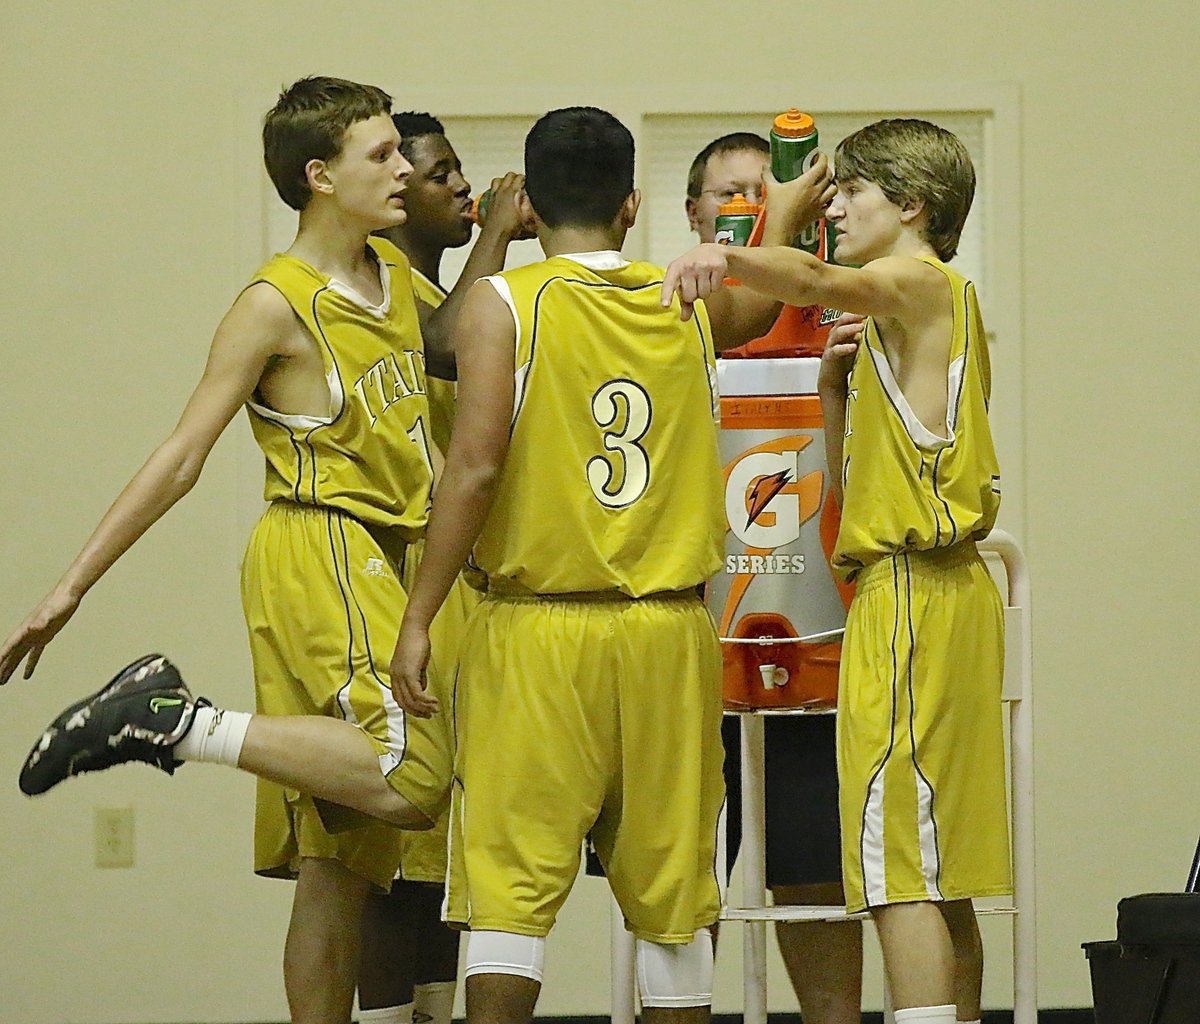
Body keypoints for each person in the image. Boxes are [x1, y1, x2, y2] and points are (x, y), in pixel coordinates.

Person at [3, 76, 457, 1024]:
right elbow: (181, 457)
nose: (402, 170)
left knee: (339, 862)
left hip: (385, 555)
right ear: (319, 176)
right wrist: (68, 589)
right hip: (324, 544)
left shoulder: (394, 273)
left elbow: (472, 354)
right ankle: (177, 720)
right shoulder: (273, 303)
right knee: (413, 772)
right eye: (380, 154)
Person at [386, 106, 831, 1024]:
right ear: (632, 205)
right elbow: (764, 296)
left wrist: (420, 614)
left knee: (510, 893)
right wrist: (782, 206)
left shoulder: (502, 302)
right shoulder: (685, 300)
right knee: (673, 898)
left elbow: (473, 469)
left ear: (529, 208)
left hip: (537, 630)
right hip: (670, 632)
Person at [662, 117, 1009, 1024]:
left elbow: (812, 278)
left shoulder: (918, 281)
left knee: (897, 869)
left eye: (852, 192)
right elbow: (850, 499)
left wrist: (732, 247)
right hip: (928, 588)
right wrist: (827, 387)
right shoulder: (912, 316)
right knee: (935, 862)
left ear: (912, 205)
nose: (836, 208)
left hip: (915, 592)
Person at [684, 129, 863, 1024]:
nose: (753, 208)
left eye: (768, 190)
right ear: (693, 214)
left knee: (813, 866)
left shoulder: (837, 301)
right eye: (730, 196)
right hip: (695, 631)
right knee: (683, 868)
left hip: (820, 625)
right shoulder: (673, 308)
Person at [358, 110, 528, 1024]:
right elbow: (442, 345)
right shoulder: (391, 290)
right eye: (440, 174)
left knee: (451, 846)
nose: (463, 186)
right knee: (398, 836)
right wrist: (495, 232)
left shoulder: (444, 287)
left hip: (467, 582)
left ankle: (434, 1008)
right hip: (404, 577)